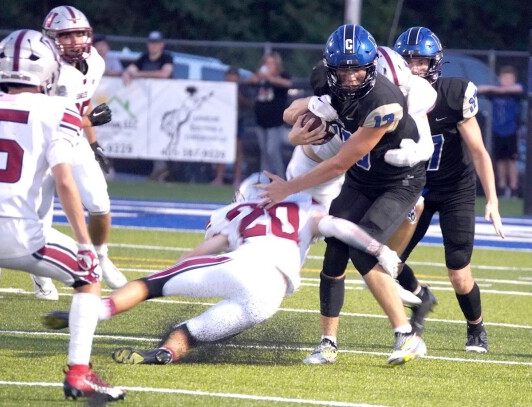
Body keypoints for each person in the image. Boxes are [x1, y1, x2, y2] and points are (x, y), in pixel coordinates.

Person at [43, 173, 407, 365]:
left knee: (153, 283)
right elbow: (341, 228)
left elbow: (207, 248)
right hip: (269, 298)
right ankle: (167, 353)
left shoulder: (236, 212)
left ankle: (97, 310)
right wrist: (380, 250)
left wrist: (176, 273)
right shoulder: (307, 211)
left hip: (243, 265)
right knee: (189, 332)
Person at [257, 24, 428, 365]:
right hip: (363, 178)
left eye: (357, 68)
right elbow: (290, 111)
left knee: (363, 248)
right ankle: (327, 343)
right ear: (331, 68)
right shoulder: (326, 79)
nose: (350, 77)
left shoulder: (385, 101)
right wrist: (300, 131)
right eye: (343, 69)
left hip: (399, 180)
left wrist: (287, 188)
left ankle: (407, 336)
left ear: (372, 66)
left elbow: (339, 163)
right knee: (335, 250)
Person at [0, 29, 125, 401]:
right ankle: (79, 373)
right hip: (20, 233)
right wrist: (85, 242)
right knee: (88, 275)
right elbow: (65, 182)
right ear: (49, 69)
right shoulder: (58, 109)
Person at [393, 26, 504, 353]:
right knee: (388, 258)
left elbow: (479, 151)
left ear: (435, 64)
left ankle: (476, 328)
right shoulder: (391, 98)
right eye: (408, 62)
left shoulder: (453, 95)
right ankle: (421, 296)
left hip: (455, 186)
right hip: (415, 186)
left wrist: (493, 199)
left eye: (421, 62)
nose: (414, 69)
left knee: (458, 270)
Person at [38, 5, 127, 291]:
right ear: (50, 38)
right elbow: (46, 115)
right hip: (39, 141)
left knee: (100, 204)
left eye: (80, 34)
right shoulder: (45, 67)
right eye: (67, 35)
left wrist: (94, 142)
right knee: (39, 215)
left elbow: (83, 102)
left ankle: (100, 256)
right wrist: (89, 120)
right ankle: (39, 274)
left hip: (73, 139)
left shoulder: (95, 62)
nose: (75, 41)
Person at [122, 30, 174, 181]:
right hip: (146, 106)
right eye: (151, 42)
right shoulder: (143, 58)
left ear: (162, 44)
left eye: (157, 43)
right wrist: (127, 73)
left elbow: (165, 74)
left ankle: (162, 168)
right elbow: (131, 69)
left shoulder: (166, 58)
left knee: (161, 134)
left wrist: (139, 75)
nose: (154, 46)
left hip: (163, 105)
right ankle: (158, 169)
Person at [478, 65, 524, 198]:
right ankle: (503, 188)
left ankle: (514, 188)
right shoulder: (495, 92)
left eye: (510, 78)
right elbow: (479, 89)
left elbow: (519, 88)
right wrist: (496, 88)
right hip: (498, 132)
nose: (507, 81)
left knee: (512, 161)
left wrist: (502, 89)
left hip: (511, 132)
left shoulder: (515, 92)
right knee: (500, 161)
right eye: (504, 78)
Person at [247, 52, 292, 179]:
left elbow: (287, 83)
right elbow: (248, 81)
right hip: (261, 119)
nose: (268, 66)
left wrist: (269, 78)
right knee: (264, 151)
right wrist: (257, 78)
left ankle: (281, 177)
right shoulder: (261, 79)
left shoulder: (281, 76)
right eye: (266, 63)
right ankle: (264, 178)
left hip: (275, 120)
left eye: (271, 63)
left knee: (272, 149)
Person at [212, 66, 254, 187]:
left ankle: (237, 179)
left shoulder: (242, 88)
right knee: (222, 149)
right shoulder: (221, 88)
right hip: (223, 121)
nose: (231, 79)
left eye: (234, 76)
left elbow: (249, 103)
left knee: (237, 151)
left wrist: (236, 94)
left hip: (237, 120)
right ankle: (219, 177)